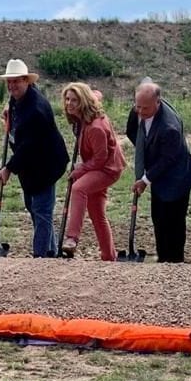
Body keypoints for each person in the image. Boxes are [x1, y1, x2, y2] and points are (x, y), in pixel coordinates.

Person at [0, 59, 68, 258]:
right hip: (31, 165)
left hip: (46, 165)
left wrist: (8, 168)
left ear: (26, 80)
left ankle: (41, 258)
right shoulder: (18, 100)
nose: (11, 86)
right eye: (9, 82)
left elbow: (28, 147)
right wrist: (10, 116)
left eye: (16, 81)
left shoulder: (36, 109)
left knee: (41, 209)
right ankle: (51, 252)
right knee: (33, 207)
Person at [129, 83, 191, 262]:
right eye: (137, 106)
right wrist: (144, 151)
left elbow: (167, 160)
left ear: (158, 102)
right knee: (158, 218)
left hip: (177, 178)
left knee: (173, 222)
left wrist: (144, 180)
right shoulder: (141, 109)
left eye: (145, 108)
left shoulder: (169, 127)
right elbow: (133, 131)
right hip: (160, 173)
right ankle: (163, 258)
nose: (139, 111)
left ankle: (175, 262)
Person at [60, 82, 126, 261]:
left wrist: (79, 170)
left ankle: (72, 238)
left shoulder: (95, 127)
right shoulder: (84, 115)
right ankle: (109, 256)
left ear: (83, 101)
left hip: (107, 168)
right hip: (99, 165)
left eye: (74, 100)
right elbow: (96, 94)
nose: (69, 104)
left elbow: (100, 159)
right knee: (97, 213)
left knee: (78, 188)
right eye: (67, 99)